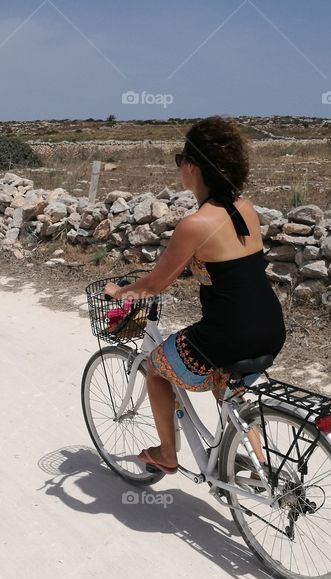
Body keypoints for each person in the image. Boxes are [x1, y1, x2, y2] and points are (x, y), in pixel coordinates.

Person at [103, 116, 287, 474]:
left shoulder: (195, 224)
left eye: (180, 160)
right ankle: (262, 471)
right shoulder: (244, 209)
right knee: (229, 391)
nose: (179, 168)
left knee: (155, 369)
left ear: (193, 166)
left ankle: (167, 455)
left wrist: (121, 291)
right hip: (269, 327)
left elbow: (156, 284)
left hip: (227, 336)